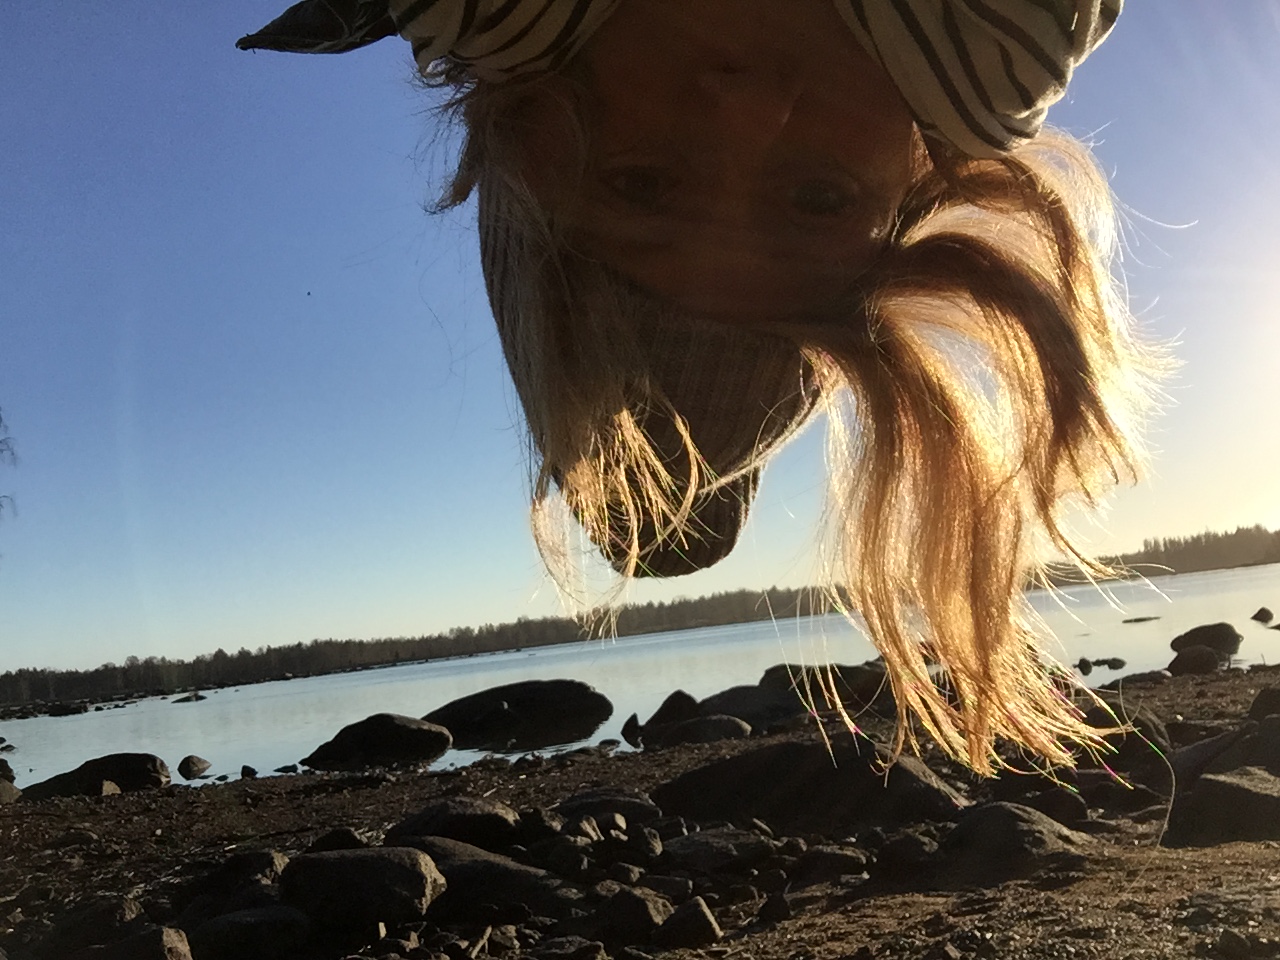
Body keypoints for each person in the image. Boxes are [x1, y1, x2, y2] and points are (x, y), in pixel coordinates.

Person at [239, 0, 1163, 773]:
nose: (751, 110)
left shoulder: (497, 13)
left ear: (530, 129)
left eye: (644, 185)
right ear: (918, 180)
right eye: (816, 199)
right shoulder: (1003, 44)